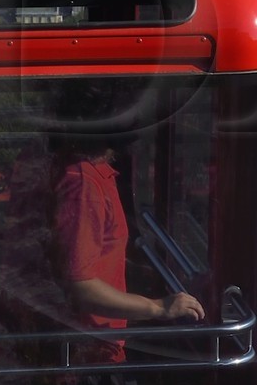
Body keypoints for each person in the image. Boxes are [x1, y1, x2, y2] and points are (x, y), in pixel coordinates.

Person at [54, 139, 203, 342]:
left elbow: (77, 254)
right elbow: (80, 286)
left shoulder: (88, 173)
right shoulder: (84, 184)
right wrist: (159, 307)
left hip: (91, 337)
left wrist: (133, 270)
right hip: (89, 344)